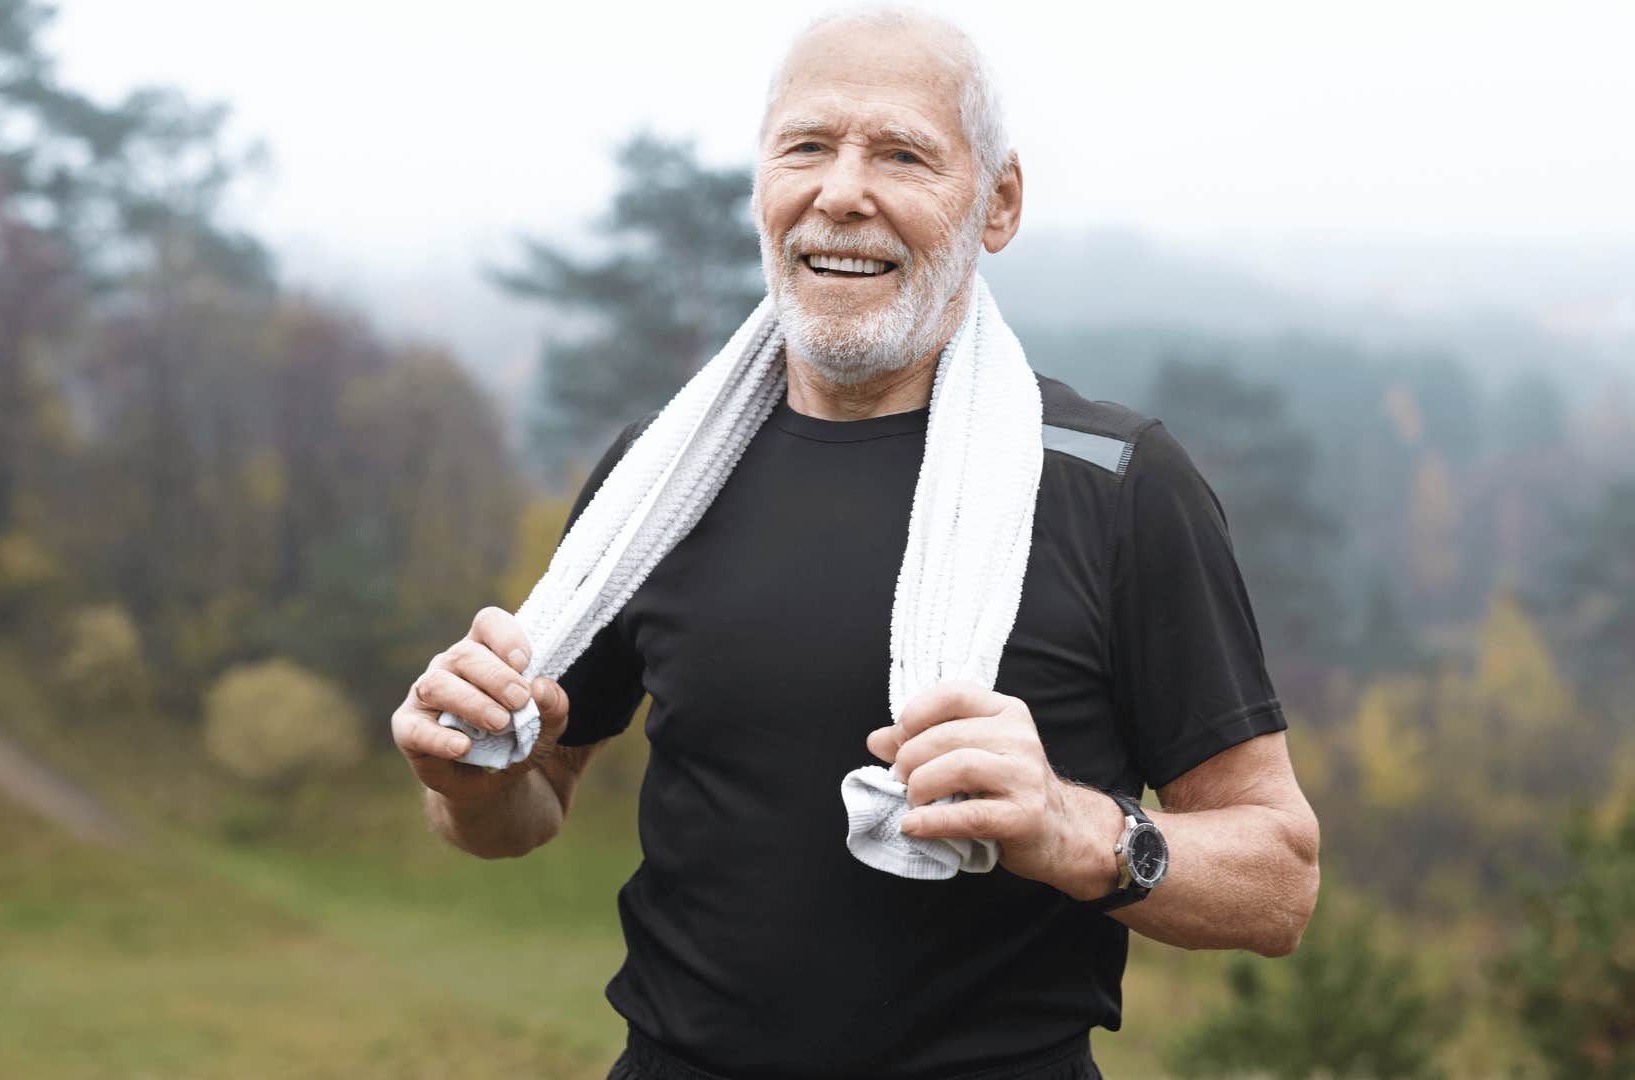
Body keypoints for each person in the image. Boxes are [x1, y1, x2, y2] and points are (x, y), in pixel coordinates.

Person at [391, 7, 1320, 1078]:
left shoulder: (1116, 487)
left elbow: (1280, 881)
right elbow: (531, 801)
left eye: (902, 153)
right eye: (807, 146)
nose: (841, 192)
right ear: (760, 184)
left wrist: (1081, 833)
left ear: (998, 201)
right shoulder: (655, 478)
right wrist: (466, 780)